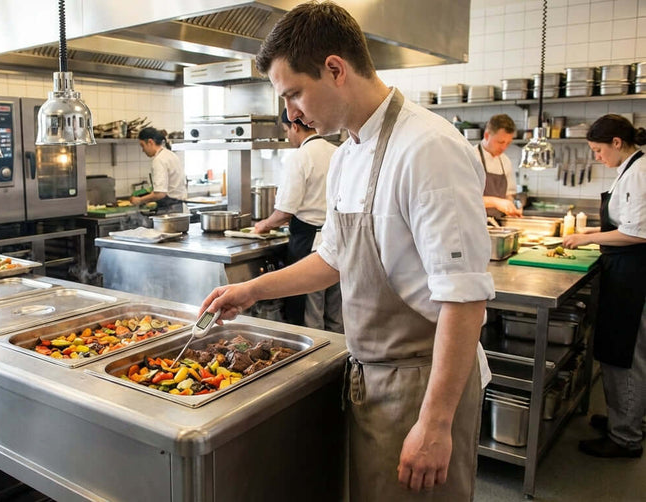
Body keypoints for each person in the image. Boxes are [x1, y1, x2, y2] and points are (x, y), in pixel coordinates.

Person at [199, 2, 495, 499]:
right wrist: (249, 290)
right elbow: (331, 259)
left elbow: (464, 300)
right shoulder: (347, 155)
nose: (290, 112)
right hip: (369, 376)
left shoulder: (427, 148)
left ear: (335, 69)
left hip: (423, 384)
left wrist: (436, 423)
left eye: (294, 94)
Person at [563, 114, 646, 459]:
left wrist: (585, 238)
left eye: (598, 150)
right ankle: (623, 420)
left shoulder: (639, 172)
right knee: (619, 351)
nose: (597, 157)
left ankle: (625, 438)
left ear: (616, 142)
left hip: (634, 275)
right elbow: (627, 223)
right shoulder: (629, 168)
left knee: (626, 355)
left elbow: (637, 232)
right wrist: (590, 237)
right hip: (625, 271)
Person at [253, 108, 338, 327]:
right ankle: (340, 360)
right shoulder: (336, 151)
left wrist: (263, 225)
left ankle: (315, 360)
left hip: (308, 242)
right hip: (338, 239)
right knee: (337, 313)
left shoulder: (299, 157)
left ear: (295, 126)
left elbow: (284, 212)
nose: (287, 136)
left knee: (310, 312)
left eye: (285, 130)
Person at [130, 127, 187, 214]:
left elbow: (160, 193)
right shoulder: (170, 155)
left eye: (142, 145)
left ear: (150, 142)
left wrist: (139, 200)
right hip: (180, 208)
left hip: (170, 211)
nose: (143, 150)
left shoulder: (159, 160)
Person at [479, 114, 522, 217]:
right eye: (500, 142)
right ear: (486, 135)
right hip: (477, 224)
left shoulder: (505, 161)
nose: (504, 147)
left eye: (508, 143)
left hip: (498, 225)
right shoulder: (471, 158)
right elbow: (465, 198)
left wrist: (512, 206)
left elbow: (509, 194)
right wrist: (496, 202)